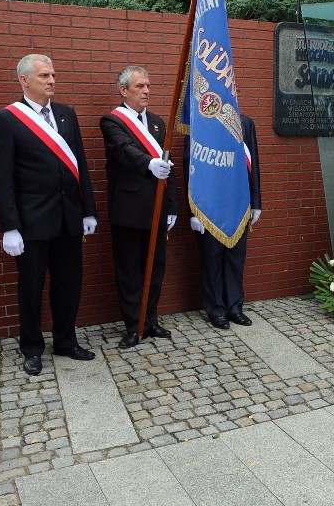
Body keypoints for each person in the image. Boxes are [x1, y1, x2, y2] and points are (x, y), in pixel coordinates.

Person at [0, 54, 98, 375]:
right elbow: (1, 178)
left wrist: (87, 210)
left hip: (68, 219)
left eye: (53, 75)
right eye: (44, 76)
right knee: (31, 287)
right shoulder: (7, 120)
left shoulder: (66, 114)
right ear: (24, 80)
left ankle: (65, 340)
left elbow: (80, 166)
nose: (52, 80)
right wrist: (9, 227)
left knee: (68, 284)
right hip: (31, 223)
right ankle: (32, 347)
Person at [99, 66, 177, 349]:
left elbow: (169, 167)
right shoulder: (112, 121)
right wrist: (148, 164)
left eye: (148, 85)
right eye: (139, 86)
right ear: (123, 90)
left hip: (156, 208)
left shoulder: (157, 122)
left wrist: (173, 206)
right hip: (129, 210)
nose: (146, 91)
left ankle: (151, 319)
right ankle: (134, 325)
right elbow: (124, 151)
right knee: (130, 270)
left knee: (155, 267)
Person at [183, 114, 262, 329]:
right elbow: (189, 168)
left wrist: (256, 203)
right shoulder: (199, 125)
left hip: (238, 203)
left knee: (236, 259)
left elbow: (252, 162)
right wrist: (193, 211)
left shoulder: (245, 123)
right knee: (212, 259)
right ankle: (216, 309)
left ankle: (235, 307)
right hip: (209, 206)